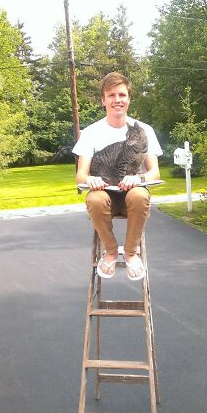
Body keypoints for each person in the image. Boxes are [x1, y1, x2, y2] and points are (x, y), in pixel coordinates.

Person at [73, 72, 162, 281]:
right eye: (111, 95)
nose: (117, 100)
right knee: (94, 199)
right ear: (103, 100)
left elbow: (155, 172)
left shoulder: (144, 130)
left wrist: (139, 179)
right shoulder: (91, 132)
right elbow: (80, 176)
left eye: (122, 95)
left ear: (129, 98)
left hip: (134, 195)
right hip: (106, 197)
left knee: (139, 195)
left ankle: (131, 253)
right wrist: (90, 180)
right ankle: (111, 251)